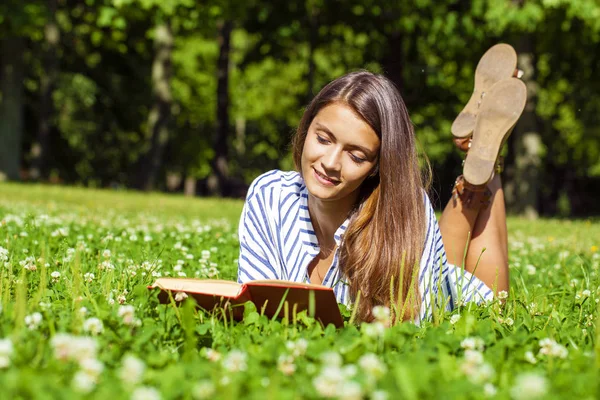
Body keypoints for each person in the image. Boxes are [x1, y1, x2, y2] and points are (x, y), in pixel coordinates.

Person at [236, 47, 526, 324]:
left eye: (356, 155)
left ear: (377, 165)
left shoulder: (405, 208)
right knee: (438, 254)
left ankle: (489, 164)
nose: (331, 162)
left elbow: (412, 327)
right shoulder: (269, 194)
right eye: (323, 139)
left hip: (445, 298)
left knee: (491, 304)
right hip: (426, 259)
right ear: (306, 126)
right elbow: (251, 306)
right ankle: (481, 164)